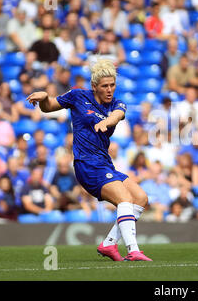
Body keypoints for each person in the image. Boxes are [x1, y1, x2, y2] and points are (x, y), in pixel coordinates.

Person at [26, 59, 152, 262]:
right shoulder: (77, 96)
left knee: (141, 198)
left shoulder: (117, 104)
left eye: (112, 85)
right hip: (87, 164)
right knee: (125, 200)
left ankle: (109, 244)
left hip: (104, 163)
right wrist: (44, 98)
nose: (110, 90)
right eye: (105, 86)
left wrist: (107, 121)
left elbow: (118, 115)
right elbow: (49, 107)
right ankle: (133, 250)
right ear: (94, 87)